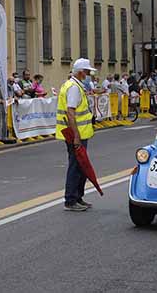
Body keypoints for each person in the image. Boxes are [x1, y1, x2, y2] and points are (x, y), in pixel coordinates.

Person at [56, 58, 96, 212]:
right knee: (76, 166)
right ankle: (71, 200)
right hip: (75, 134)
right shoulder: (73, 88)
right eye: (86, 72)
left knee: (81, 166)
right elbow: (70, 113)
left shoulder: (73, 85)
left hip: (78, 133)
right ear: (80, 72)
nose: (88, 75)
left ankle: (78, 197)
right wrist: (76, 137)